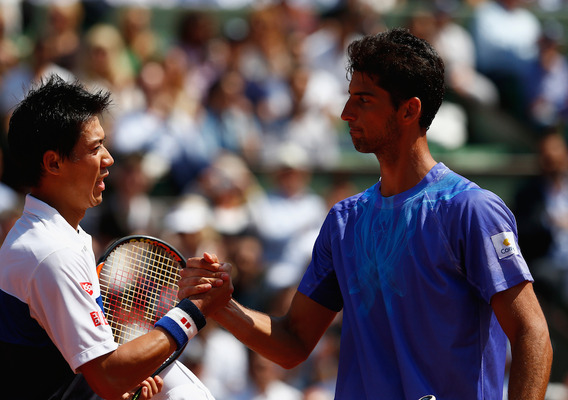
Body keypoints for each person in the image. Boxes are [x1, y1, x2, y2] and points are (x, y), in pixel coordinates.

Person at [180, 28, 553, 399]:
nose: (345, 113)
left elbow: (531, 333)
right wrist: (222, 306)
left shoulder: (471, 209)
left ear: (409, 110)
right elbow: (293, 342)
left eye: (364, 100)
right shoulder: (344, 221)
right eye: (349, 98)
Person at [0, 75, 231, 400]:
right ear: (53, 162)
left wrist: (112, 385)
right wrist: (194, 310)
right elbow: (108, 378)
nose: (109, 159)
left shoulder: (40, 235)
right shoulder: (53, 252)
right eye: (95, 148)